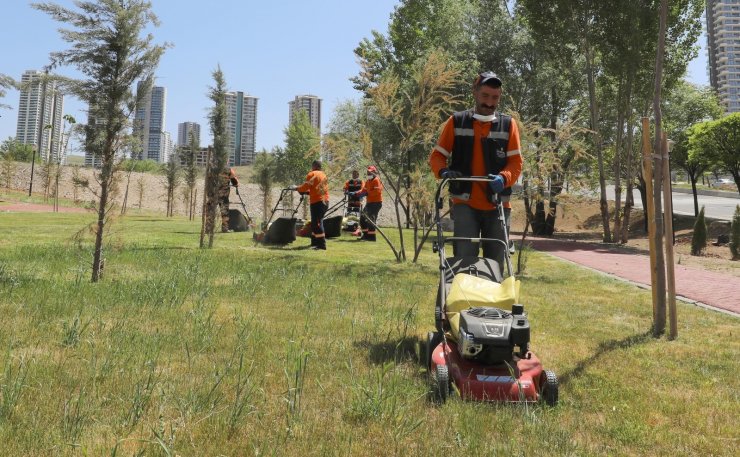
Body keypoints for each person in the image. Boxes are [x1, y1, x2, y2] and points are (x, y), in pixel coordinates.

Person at [428, 71, 522, 270]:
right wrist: (443, 171)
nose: (489, 102)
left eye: (495, 98)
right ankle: (462, 298)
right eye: (485, 96)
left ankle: (492, 299)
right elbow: (437, 156)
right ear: (475, 93)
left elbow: (516, 163)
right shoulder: (456, 122)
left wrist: (504, 178)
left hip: (498, 205)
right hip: (464, 202)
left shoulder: (508, 125)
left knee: (495, 261)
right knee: (464, 256)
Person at [294, 160, 330, 250]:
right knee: (315, 223)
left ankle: (321, 245)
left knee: (317, 223)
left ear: (313, 166)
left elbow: (305, 186)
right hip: (325, 201)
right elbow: (317, 188)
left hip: (317, 202)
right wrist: (307, 192)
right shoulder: (323, 175)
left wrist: (297, 188)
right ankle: (314, 242)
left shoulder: (312, 174)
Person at [350, 165, 383, 241]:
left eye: (370, 172)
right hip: (369, 203)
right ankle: (365, 236)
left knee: (371, 219)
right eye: (368, 172)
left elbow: (377, 192)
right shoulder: (368, 181)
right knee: (362, 218)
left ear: (374, 172)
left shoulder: (377, 180)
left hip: (376, 203)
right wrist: (355, 193)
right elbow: (363, 190)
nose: (368, 174)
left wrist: (367, 193)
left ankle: (371, 237)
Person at [218, 166, 239, 233]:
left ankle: (208, 228)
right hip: (223, 194)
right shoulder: (228, 169)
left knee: (210, 210)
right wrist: (236, 183)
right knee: (225, 212)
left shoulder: (212, 168)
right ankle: (225, 229)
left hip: (212, 193)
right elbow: (235, 182)